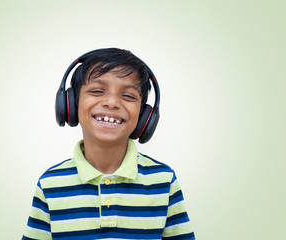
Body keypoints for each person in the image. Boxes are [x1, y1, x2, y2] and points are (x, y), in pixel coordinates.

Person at [22, 48, 195, 240]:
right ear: (71, 103)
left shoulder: (163, 180)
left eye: (128, 96)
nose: (112, 102)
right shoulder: (50, 183)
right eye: (97, 91)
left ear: (144, 116)